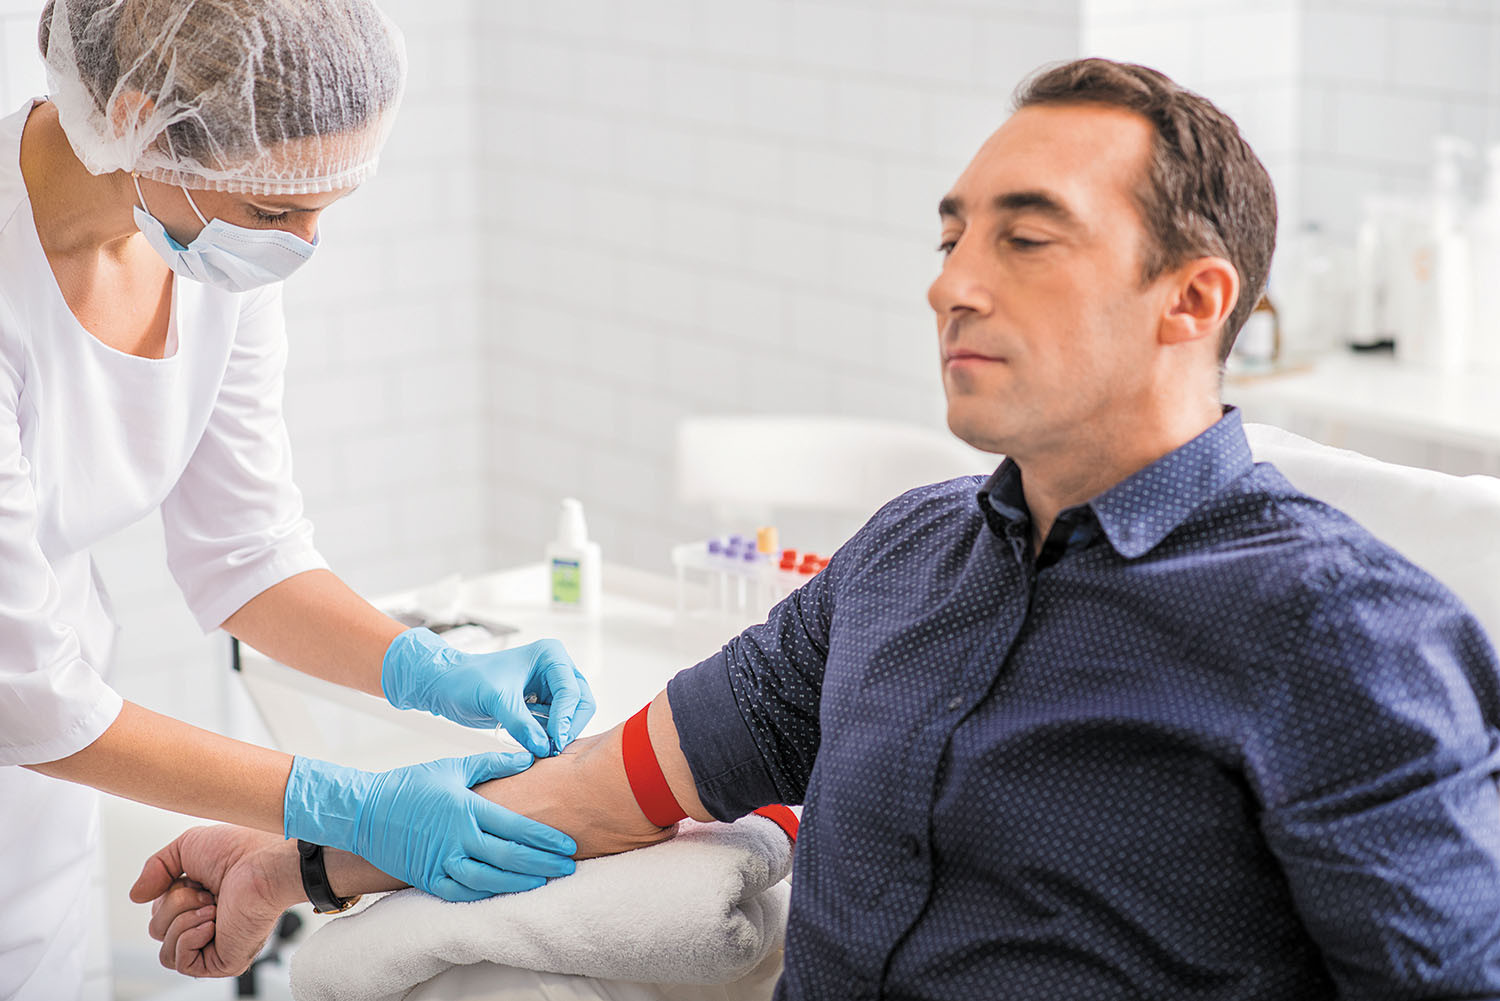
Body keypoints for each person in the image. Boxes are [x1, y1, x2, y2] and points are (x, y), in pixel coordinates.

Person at [136, 58, 1500, 999]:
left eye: (1026, 240)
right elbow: (616, 791)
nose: (949, 284)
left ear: (1191, 302)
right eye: (952, 233)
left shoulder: (1339, 636)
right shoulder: (910, 558)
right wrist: (296, 863)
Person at [0, 1, 597, 997]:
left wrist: (431, 668)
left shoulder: (210, 243)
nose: (303, 242)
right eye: (280, 210)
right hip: (38, 712)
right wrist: (340, 808)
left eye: (323, 205)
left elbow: (244, 548)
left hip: (40, 801)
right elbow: (29, 692)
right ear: (142, 119)